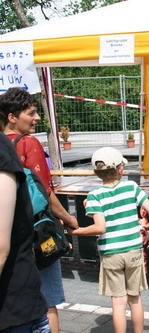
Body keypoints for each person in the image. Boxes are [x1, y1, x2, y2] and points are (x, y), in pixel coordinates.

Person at [0, 86, 79, 333]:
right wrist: (68, 219)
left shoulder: (4, 144)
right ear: (12, 117)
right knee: (48, 300)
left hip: (11, 239)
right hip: (36, 232)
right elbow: (46, 192)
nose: (37, 118)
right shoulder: (29, 143)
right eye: (31, 113)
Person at [71, 147, 149, 333]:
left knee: (118, 302)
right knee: (135, 298)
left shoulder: (95, 196)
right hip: (133, 250)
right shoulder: (131, 187)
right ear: (120, 169)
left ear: (96, 172)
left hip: (111, 253)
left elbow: (100, 227)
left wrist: (77, 231)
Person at [0, 130, 50, 332]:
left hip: (15, 309)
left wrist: (67, 219)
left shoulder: (10, 149)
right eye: (31, 112)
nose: (37, 118)